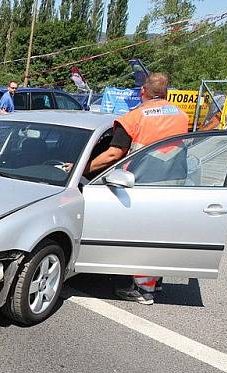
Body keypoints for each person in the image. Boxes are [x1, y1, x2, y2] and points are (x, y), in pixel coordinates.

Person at [86, 72, 189, 305]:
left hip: (145, 181)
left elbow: (114, 153)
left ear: (143, 91)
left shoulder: (134, 117)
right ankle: (155, 281)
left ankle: (143, 291)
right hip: (176, 181)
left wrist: (83, 169)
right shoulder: (181, 115)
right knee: (161, 233)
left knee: (140, 234)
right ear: (167, 93)